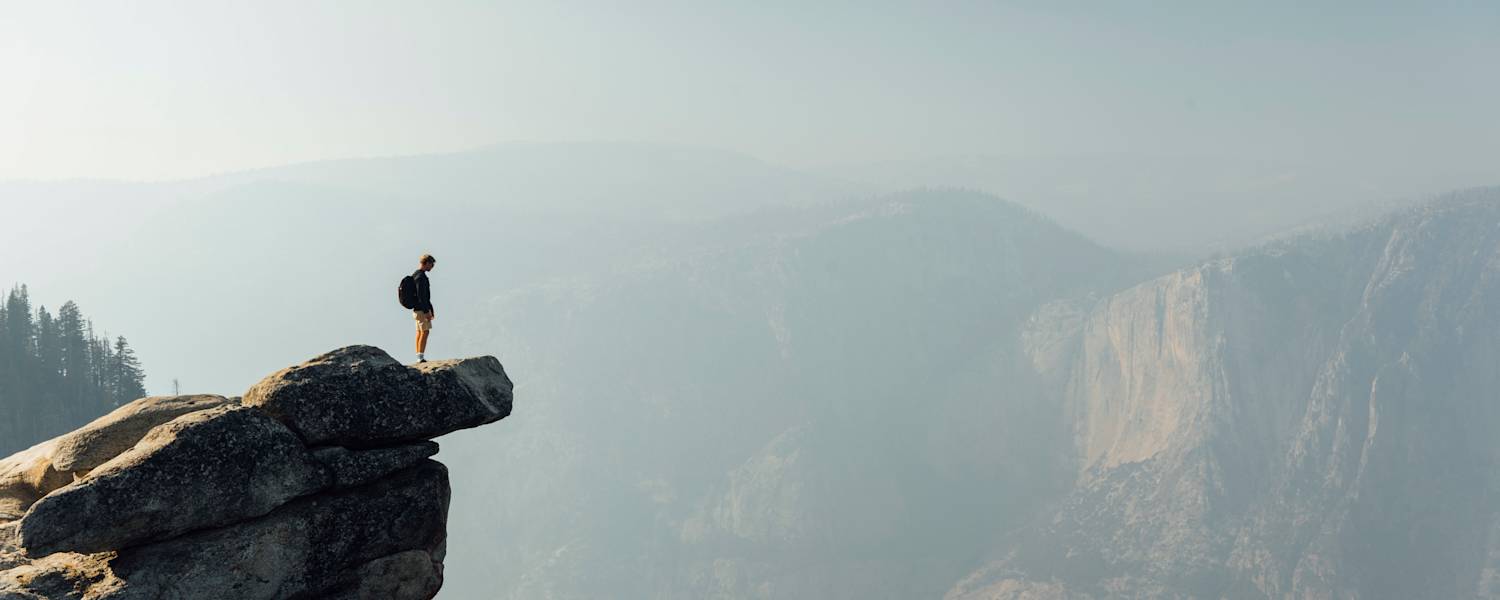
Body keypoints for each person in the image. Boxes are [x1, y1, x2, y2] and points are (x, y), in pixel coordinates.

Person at [413, 254, 436, 362]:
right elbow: (422, 296)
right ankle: (420, 357)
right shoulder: (421, 277)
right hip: (422, 310)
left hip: (416, 309)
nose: (432, 267)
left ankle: (418, 355)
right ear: (426, 263)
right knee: (425, 332)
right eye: (431, 264)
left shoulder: (415, 274)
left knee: (419, 331)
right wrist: (427, 311)